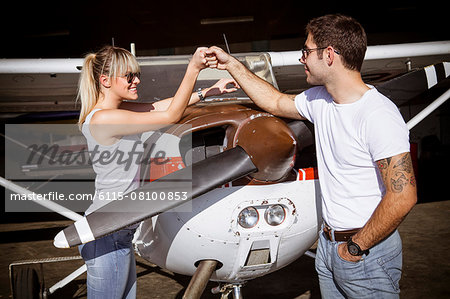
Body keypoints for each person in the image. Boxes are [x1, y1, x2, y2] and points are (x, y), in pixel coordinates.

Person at [206, 14, 417, 298]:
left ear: (329, 55)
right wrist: (232, 65)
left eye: (306, 51)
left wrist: (355, 247)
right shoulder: (320, 100)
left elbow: (403, 195)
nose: (301, 58)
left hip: (366, 253)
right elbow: (275, 101)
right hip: (329, 248)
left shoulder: (378, 114)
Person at [76, 45, 239, 299]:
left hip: (117, 230)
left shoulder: (114, 113)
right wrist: (193, 68)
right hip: (109, 232)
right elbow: (171, 115)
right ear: (105, 81)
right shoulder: (104, 120)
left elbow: (159, 107)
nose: (136, 80)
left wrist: (207, 92)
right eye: (129, 76)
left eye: (136, 74)